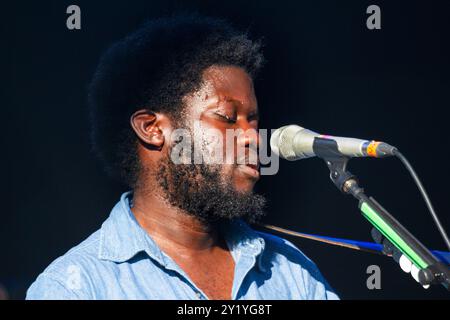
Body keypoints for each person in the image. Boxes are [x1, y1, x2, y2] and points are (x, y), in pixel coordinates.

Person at [26, 13, 338, 300]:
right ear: (152, 128)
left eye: (253, 120)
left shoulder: (292, 270)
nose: (253, 138)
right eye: (227, 118)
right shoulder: (77, 286)